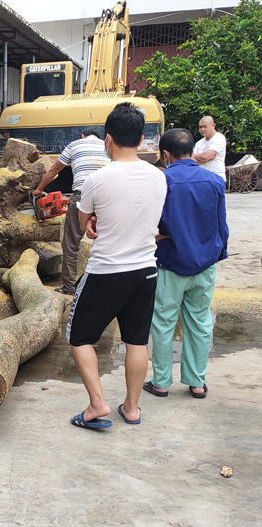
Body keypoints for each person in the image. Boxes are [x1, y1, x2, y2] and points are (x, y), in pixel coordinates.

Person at [66, 102, 167, 430]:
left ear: (108, 139)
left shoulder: (97, 179)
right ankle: (133, 408)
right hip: (146, 271)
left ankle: (97, 404)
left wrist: (93, 221)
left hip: (107, 270)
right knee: (136, 341)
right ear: (140, 140)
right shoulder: (159, 177)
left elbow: (84, 225)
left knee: (80, 337)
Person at [143, 128, 229, 400]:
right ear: (192, 151)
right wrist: (217, 254)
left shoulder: (160, 180)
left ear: (165, 154)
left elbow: (151, 223)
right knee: (200, 322)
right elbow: (221, 226)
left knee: (164, 322)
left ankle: (161, 382)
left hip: (170, 262)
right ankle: (197, 382)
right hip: (204, 263)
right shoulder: (213, 181)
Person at [32, 128, 110, 295]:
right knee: (106, 242)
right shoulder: (107, 146)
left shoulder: (74, 145)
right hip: (107, 198)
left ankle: (69, 288)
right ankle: (103, 287)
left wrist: (39, 189)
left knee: (71, 244)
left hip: (82, 196)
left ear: (83, 136)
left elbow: (53, 171)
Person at [193, 115, 226, 182]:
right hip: (201, 179)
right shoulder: (198, 143)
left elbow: (205, 156)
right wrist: (205, 158)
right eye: (200, 127)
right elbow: (192, 162)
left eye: (205, 126)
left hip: (216, 179)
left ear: (213, 126)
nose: (202, 129)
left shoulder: (219, 138)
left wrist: (195, 156)